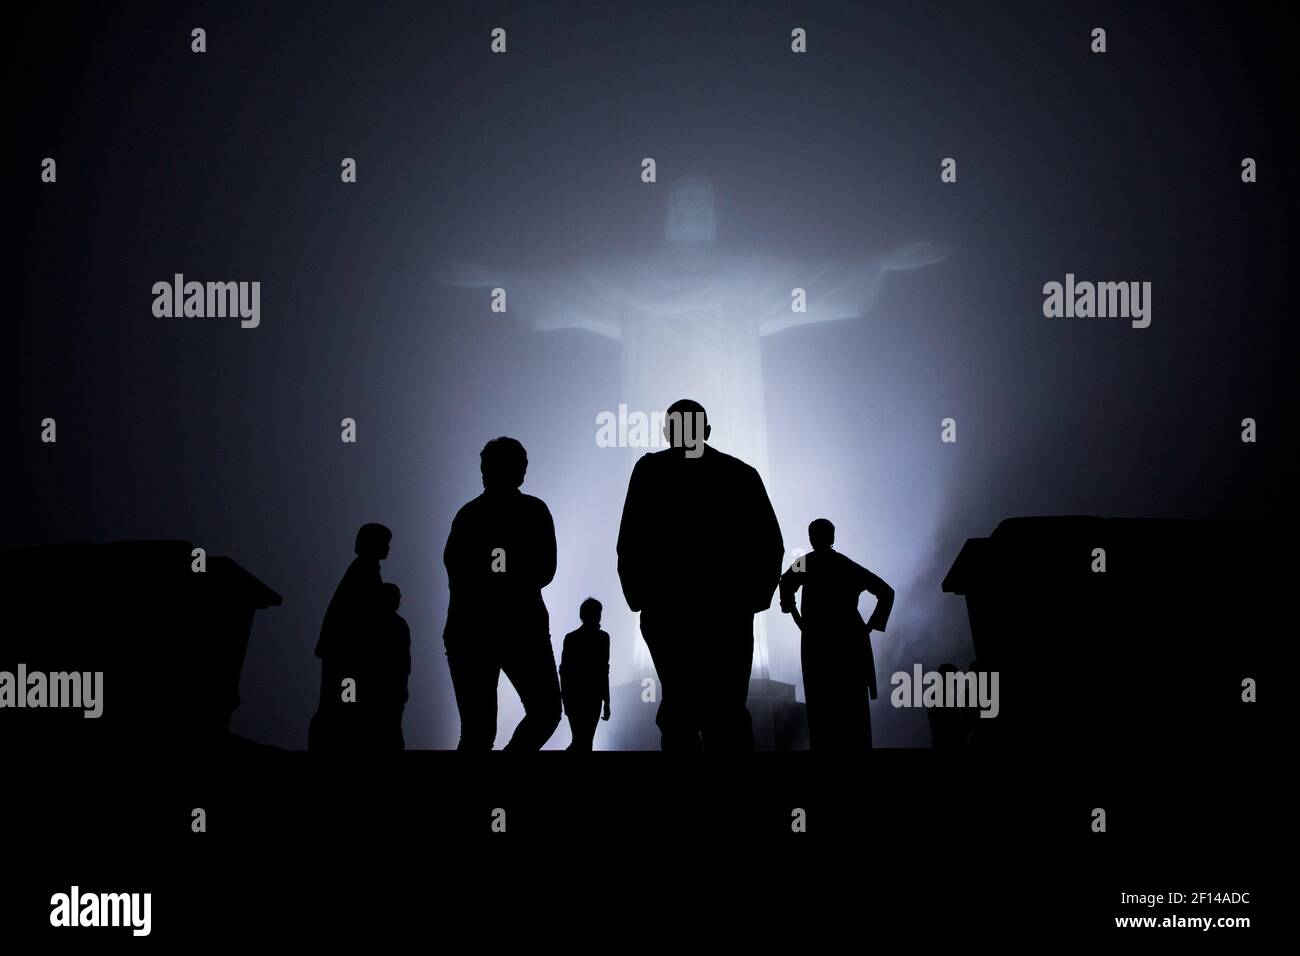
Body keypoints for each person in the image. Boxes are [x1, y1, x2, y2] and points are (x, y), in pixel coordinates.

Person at [616, 399, 784, 750]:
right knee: (727, 708)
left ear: (666, 430)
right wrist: (752, 599)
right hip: (726, 612)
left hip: (669, 611)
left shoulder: (650, 471)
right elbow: (770, 544)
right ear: (707, 431)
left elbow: (630, 540)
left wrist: (641, 597)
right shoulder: (740, 474)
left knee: (679, 706)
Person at [443, 437, 562, 750]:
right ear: (521, 472)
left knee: (477, 731)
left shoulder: (468, 516)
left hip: (470, 630)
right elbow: (545, 571)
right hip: (521, 627)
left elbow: (456, 571)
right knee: (545, 712)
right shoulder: (534, 511)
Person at [779, 518, 894, 749]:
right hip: (847, 641)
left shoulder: (806, 563)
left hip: (818, 641)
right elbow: (885, 592)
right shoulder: (845, 565)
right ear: (832, 537)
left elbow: (786, 582)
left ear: (812, 538)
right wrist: (869, 626)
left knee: (821, 703)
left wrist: (793, 613)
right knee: (851, 708)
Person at [309, 523, 391, 751]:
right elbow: (361, 615)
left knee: (341, 704)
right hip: (346, 654)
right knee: (340, 705)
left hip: (345, 651)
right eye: (385, 543)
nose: (389, 548)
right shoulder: (364, 571)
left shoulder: (364, 570)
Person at [560, 598, 611, 750]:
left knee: (580, 740)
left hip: (574, 697)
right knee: (585, 741)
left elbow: (564, 671)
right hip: (593, 697)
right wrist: (607, 702)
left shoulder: (571, 638)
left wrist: (565, 698)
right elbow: (603, 671)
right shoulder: (603, 638)